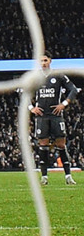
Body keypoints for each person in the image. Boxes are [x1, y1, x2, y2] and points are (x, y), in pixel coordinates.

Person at [30, 54, 79, 186]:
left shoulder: (58, 75)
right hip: (42, 116)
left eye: (45, 60)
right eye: (41, 61)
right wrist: (31, 107)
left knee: (61, 145)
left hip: (56, 116)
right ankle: (44, 177)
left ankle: (68, 176)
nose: (43, 63)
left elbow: (73, 90)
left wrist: (64, 104)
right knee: (43, 144)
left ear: (50, 61)